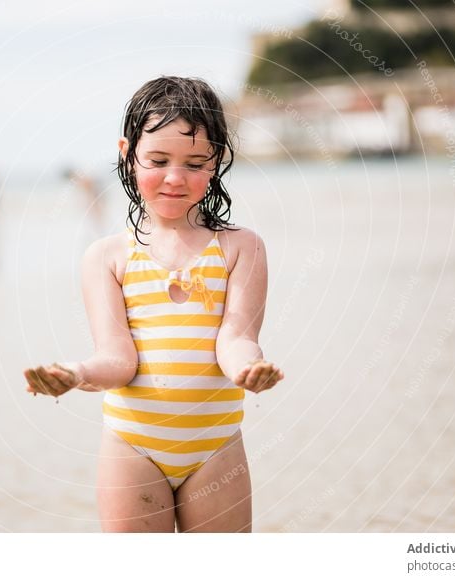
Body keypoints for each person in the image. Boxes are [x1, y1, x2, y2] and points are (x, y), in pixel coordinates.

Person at [23, 76, 284, 532]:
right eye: (158, 160)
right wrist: (77, 374)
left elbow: (236, 337)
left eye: (195, 163)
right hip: (133, 447)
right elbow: (118, 360)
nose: (174, 178)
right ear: (128, 153)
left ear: (217, 159)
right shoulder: (107, 257)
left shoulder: (242, 248)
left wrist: (249, 367)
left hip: (216, 447)